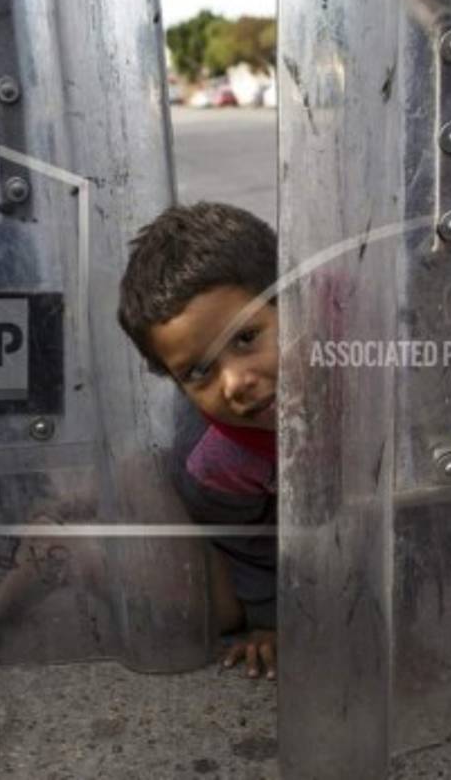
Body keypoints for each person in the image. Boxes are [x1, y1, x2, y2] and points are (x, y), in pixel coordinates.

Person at [117, 202, 279, 680]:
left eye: (246, 337)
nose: (235, 383)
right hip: (211, 507)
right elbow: (246, 545)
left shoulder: (354, 342)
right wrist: (269, 619)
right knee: (207, 612)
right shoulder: (217, 460)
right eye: (199, 371)